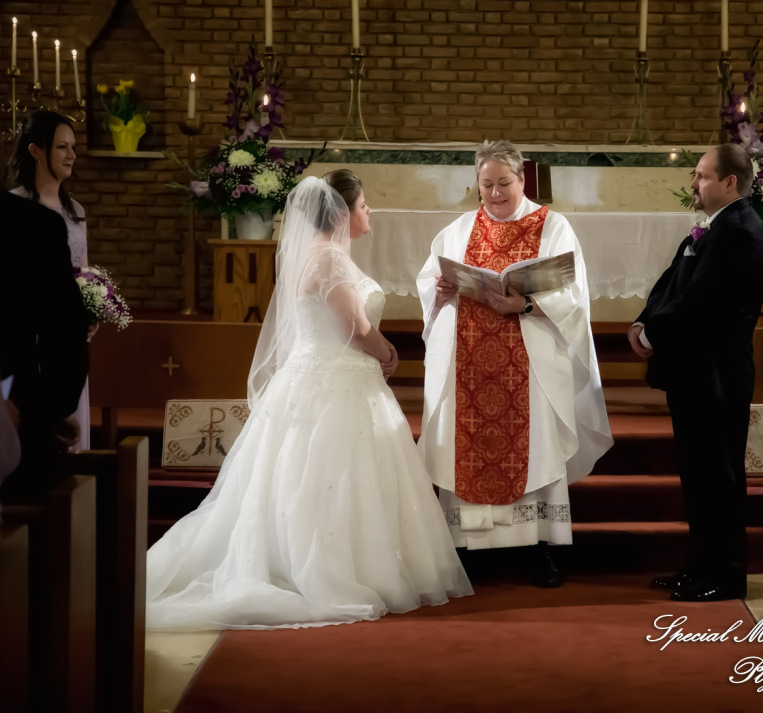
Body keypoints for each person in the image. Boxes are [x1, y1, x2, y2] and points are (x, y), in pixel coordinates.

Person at [146, 172, 471, 630]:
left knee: (311, 476)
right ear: (342, 212)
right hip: (338, 380)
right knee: (333, 475)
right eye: (364, 205)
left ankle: (335, 561)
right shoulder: (330, 260)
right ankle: (339, 569)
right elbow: (355, 327)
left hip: (321, 377)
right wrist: (389, 353)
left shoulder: (318, 255)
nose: (369, 211)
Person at [416, 140, 612, 588]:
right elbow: (430, 281)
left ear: (523, 179)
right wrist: (440, 291)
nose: (495, 193)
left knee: (536, 445)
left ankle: (536, 547)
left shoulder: (554, 226)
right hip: (466, 358)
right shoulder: (458, 229)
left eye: (504, 183)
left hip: (530, 361)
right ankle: (467, 548)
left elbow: (573, 295)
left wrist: (524, 305)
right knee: (462, 441)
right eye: (486, 185)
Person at [629, 144, 763, 602]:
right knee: (699, 475)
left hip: (716, 374)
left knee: (719, 477)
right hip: (695, 372)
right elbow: (672, 282)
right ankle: (702, 564)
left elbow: (703, 302)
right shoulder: (715, 227)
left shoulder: (739, 232)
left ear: (730, 182)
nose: (694, 183)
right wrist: (643, 319)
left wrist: (653, 334)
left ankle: (726, 573)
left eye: (703, 176)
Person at [8, 109, 95, 451]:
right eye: (61, 147)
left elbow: (84, 272)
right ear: (35, 151)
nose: (72, 155)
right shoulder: (15, 208)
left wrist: (92, 310)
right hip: (28, 341)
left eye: (72, 147)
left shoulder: (75, 210)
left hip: (68, 337)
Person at [0, 190, 89, 501]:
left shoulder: (35, 222)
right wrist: (48, 411)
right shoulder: (29, 222)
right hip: (15, 417)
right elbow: (64, 337)